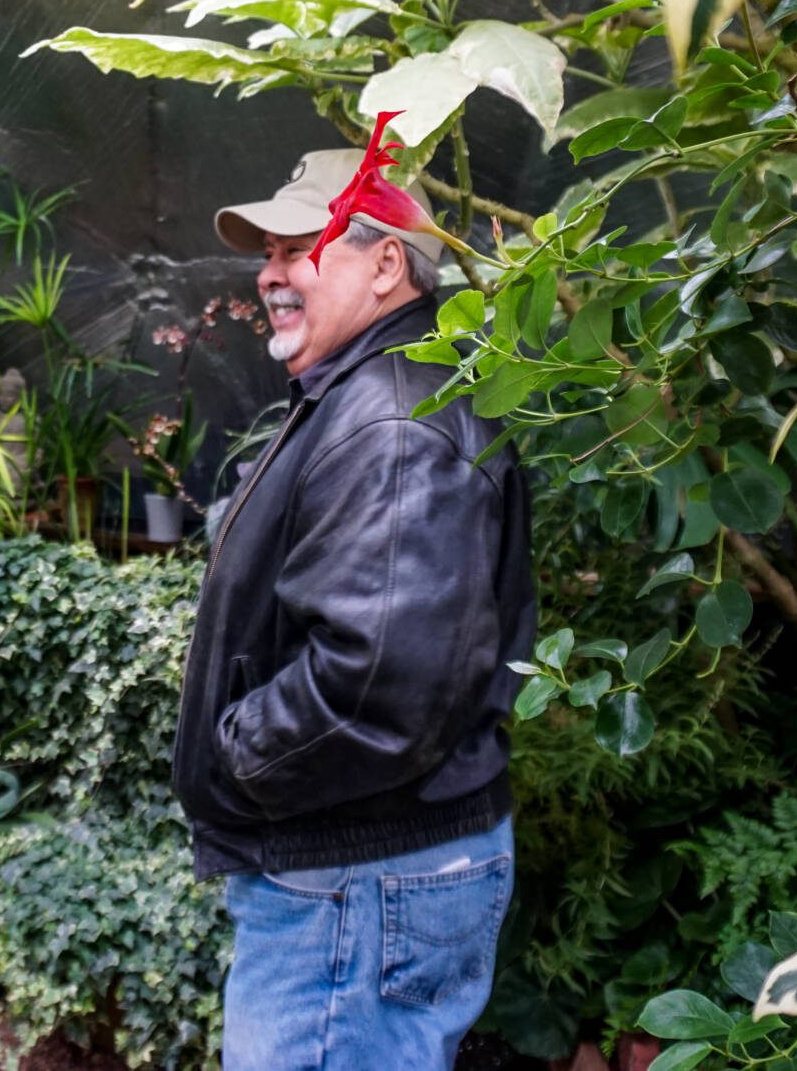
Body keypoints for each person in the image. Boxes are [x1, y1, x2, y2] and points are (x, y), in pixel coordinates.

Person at [172, 145, 538, 1069]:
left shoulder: (391, 423)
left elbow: (378, 686)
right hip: (364, 878)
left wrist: (235, 756)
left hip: (356, 883)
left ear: (386, 265)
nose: (270, 271)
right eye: (268, 251)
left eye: (300, 247)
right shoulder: (378, 394)